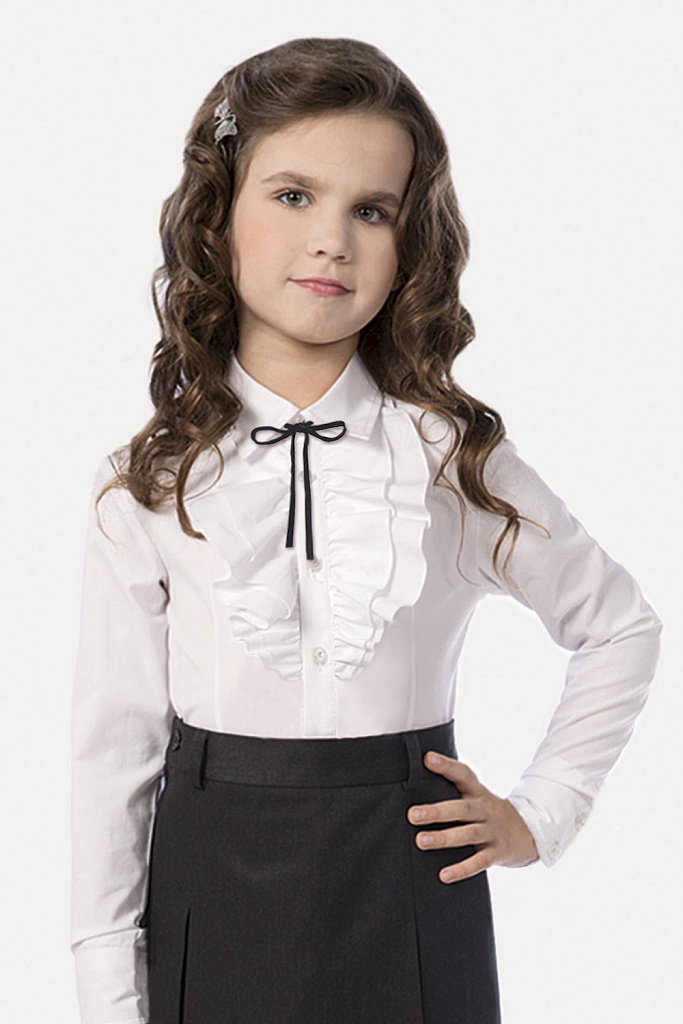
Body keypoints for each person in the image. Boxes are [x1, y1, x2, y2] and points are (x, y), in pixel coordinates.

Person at [70, 36, 662, 1024]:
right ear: (218, 215)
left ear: (409, 244)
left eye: (371, 210)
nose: (330, 241)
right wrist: (105, 992)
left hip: (409, 882)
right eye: (293, 195)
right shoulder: (149, 482)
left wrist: (538, 812)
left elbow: (618, 627)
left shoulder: (448, 460)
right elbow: (113, 748)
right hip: (209, 889)